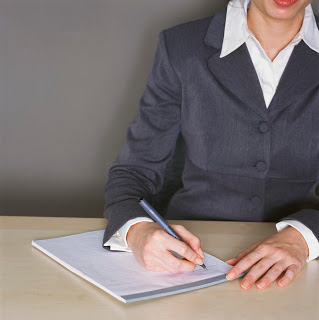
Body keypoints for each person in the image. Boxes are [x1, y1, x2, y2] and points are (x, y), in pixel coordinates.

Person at [102, 0, 319, 291]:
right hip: (191, 262)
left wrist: (303, 238)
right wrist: (139, 233)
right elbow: (132, 172)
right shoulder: (181, 46)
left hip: (305, 270)